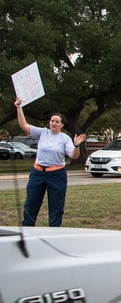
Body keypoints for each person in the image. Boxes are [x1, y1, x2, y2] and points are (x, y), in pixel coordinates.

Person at [14, 97, 86, 227]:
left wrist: (76, 145)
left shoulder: (64, 138)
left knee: (56, 207)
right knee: (31, 204)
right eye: (52, 121)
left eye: (57, 122)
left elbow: (74, 156)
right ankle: (28, 231)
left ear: (62, 125)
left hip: (57, 174)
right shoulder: (42, 133)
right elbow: (23, 125)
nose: (53, 123)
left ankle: (54, 232)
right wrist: (19, 108)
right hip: (38, 173)